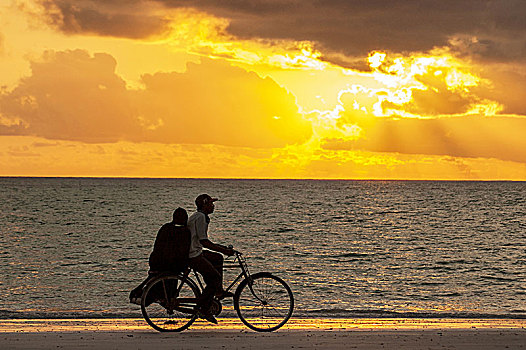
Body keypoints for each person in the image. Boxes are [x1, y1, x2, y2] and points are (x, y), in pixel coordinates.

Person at [188, 194, 234, 324]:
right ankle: (203, 308)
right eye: (211, 204)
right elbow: (204, 242)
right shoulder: (201, 218)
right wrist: (224, 250)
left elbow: (204, 242)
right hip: (193, 255)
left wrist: (222, 250)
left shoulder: (199, 216)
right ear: (205, 205)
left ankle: (218, 291)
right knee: (214, 277)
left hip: (196, 251)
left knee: (217, 258)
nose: (213, 206)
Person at [148, 207, 191, 273]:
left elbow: (157, 246)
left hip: (155, 262)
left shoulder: (165, 227)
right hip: (172, 265)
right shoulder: (185, 232)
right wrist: (185, 267)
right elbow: (184, 252)